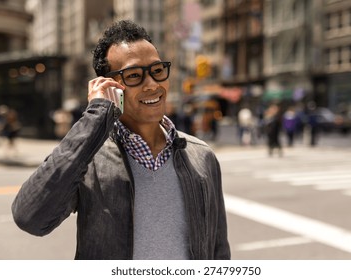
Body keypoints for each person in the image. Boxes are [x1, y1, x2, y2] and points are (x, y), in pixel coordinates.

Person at [11, 20, 230, 260]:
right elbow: (30, 217)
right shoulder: (88, 157)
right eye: (134, 75)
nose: (152, 85)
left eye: (157, 71)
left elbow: (218, 250)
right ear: (110, 87)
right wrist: (95, 117)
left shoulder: (202, 155)